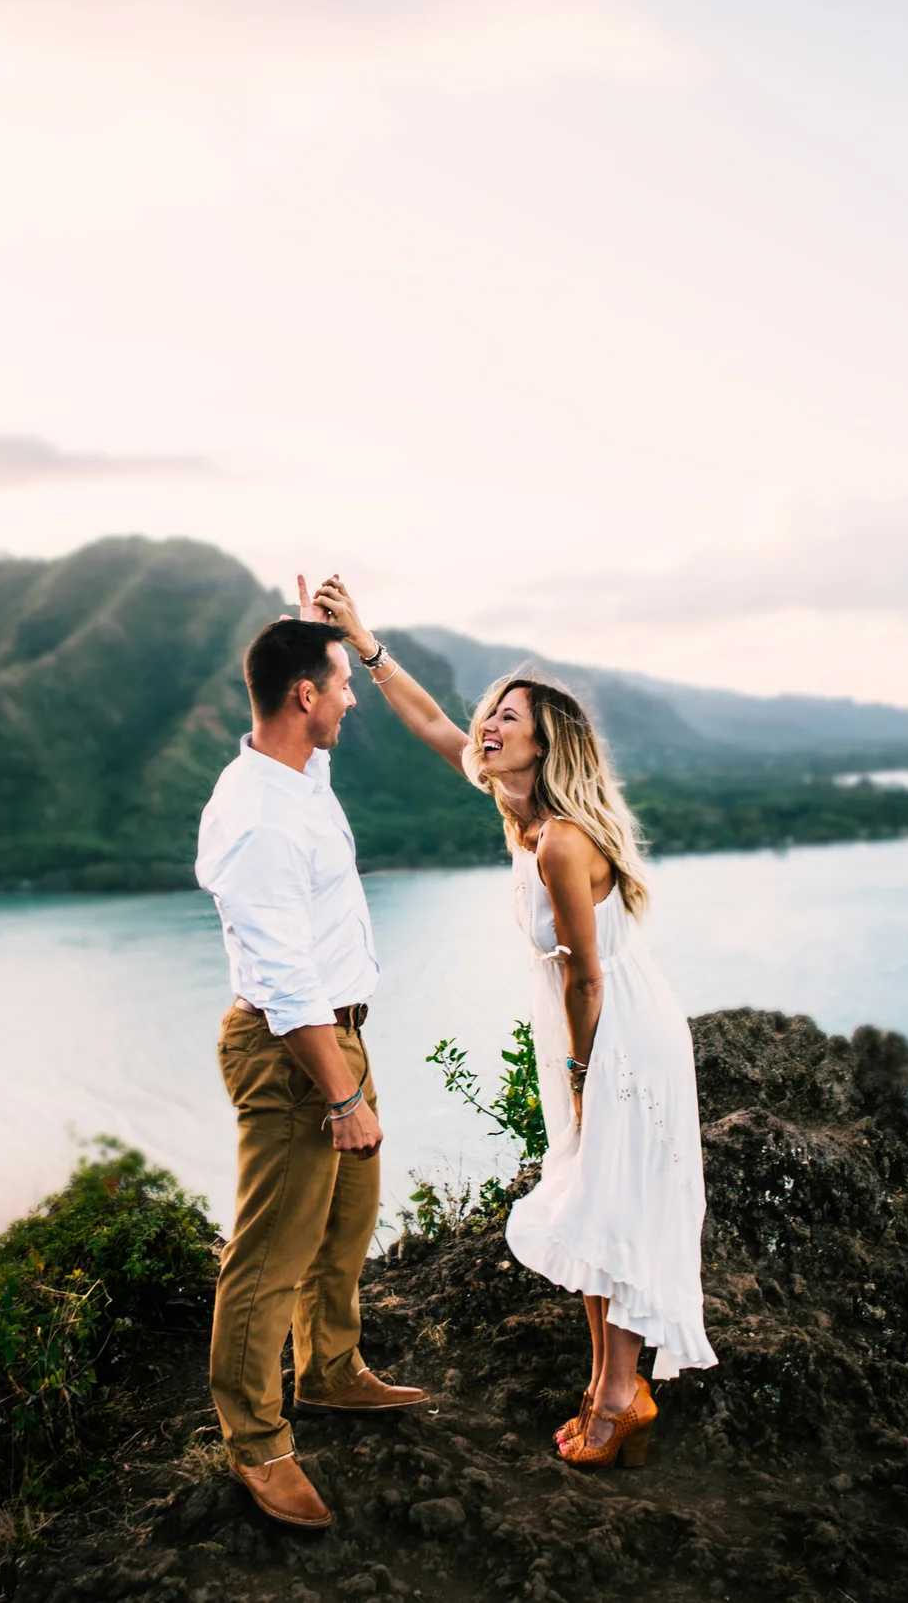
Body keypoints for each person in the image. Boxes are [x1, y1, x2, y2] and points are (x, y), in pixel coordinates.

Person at [310, 576, 717, 1470]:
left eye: (507, 719)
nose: (486, 726)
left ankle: (620, 1393)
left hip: (614, 1030)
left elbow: (586, 976)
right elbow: (427, 724)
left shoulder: (565, 841)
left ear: (545, 746)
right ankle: (615, 1383)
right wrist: (364, 640)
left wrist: (576, 1070)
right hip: (589, 1027)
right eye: (489, 713)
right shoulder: (521, 813)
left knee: (607, 1200)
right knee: (587, 1198)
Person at [194, 601, 430, 1531]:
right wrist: (340, 1093)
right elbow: (287, 980)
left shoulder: (297, 771)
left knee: (344, 1220)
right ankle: (257, 1440)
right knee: (270, 1251)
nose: (350, 705)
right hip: (296, 1047)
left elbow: (327, 727)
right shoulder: (255, 820)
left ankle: (332, 1369)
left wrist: (342, 635)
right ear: (304, 694)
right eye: (339, 687)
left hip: (341, 1031)